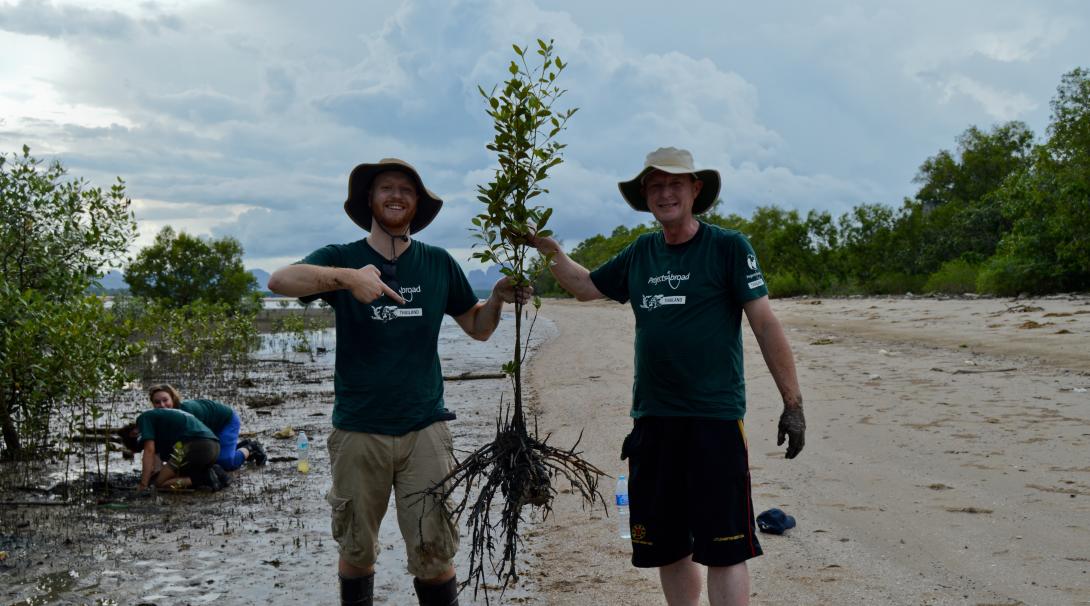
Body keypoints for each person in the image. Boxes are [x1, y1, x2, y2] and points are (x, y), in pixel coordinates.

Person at [530, 147, 806, 606]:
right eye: (655, 186)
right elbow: (584, 287)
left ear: (695, 190)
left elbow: (765, 323)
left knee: (724, 548)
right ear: (645, 196)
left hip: (713, 419)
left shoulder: (729, 248)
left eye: (675, 184)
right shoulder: (642, 252)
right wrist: (552, 252)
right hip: (654, 421)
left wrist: (792, 404)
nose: (665, 193)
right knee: (668, 545)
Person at [267, 158, 529, 606]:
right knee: (356, 551)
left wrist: (499, 299)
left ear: (417, 205)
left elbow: (478, 327)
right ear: (368, 200)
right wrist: (345, 280)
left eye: (406, 190)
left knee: (435, 553)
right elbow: (279, 281)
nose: (396, 195)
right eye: (386, 188)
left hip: (424, 429)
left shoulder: (438, 263)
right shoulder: (341, 258)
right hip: (357, 429)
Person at [147, 384, 267, 469]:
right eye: (157, 402)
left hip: (225, 420)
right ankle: (237, 446)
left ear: (173, 399)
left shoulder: (186, 413)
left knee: (226, 463)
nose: (162, 405)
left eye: (165, 400)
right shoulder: (157, 419)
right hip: (208, 427)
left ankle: (251, 448)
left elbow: (200, 444)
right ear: (153, 404)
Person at [118, 407, 229, 492]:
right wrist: (153, 474)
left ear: (134, 433)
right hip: (214, 446)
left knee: (159, 484)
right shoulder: (160, 426)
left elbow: (149, 451)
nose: (145, 445)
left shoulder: (144, 419)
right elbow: (158, 464)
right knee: (172, 477)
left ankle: (203, 478)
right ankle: (214, 472)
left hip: (196, 446)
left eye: (141, 445)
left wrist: (143, 484)